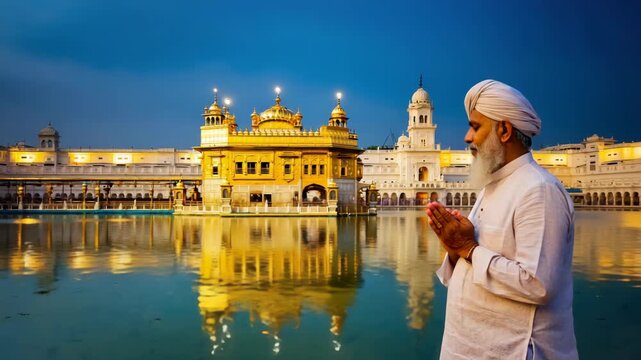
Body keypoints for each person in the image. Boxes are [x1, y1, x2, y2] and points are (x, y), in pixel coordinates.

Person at [426, 80, 578, 359]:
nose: (467, 137)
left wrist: (467, 249)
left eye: (475, 127)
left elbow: (538, 284)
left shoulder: (538, 190)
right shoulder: (493, 185)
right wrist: (453, 247)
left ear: (504, 130)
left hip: (518, 350)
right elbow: (471, 255)